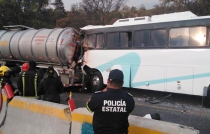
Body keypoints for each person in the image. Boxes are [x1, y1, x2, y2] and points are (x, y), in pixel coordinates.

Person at [86, 69, 135, 134]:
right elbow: (130, 111)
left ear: (108, 81)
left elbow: (89, 108)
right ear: (122, 83)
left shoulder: (97, 97)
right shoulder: (129, 99)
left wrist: (103, 91)